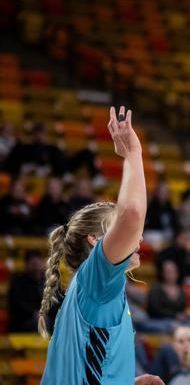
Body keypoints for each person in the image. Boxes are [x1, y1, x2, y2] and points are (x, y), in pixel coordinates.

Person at [38, 106, 163, 385]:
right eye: (117, 228)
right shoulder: (99, 278)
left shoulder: (88, 289)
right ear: (95, 241)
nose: (138, 238)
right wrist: (133, 154)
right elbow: (131, 213)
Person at [8, 250, 44, 332]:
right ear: (26, 265)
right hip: (23, 322)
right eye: (33, 264)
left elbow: (57, 303)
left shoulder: (47, 282)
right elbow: (17, 306)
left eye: (38, 264)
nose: (36, 268)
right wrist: (34, 313)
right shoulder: (17, 283)